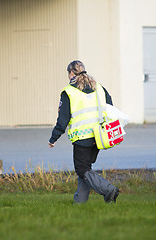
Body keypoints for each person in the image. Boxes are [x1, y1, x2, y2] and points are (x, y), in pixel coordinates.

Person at [48, 60, 119, 204]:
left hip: (82, 138)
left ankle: (109, 190)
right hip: (99, 136)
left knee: (82, 170)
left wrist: (53, 138)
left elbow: (63, 119)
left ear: (71, 73)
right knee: (85, 170)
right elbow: (110, 107)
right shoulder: (99, 87)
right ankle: (79, 203)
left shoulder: (70, 91)